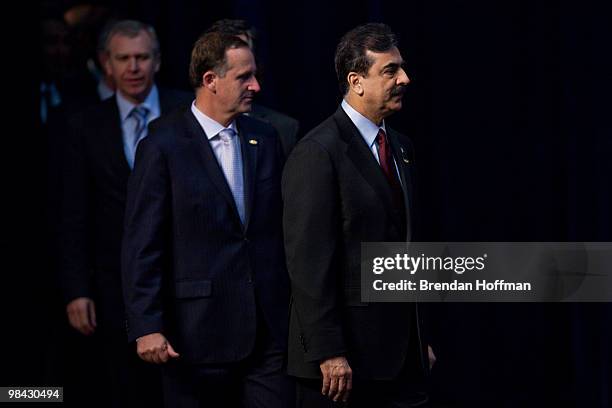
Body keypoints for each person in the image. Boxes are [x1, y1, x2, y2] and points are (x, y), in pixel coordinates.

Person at [121, 31, 292, 408]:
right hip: (195, 337)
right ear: (210, 80)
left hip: (267, 333)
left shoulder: (265, 138)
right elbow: (142, 244)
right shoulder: (162, 145)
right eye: (244, 77)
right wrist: (147, 326)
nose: (256, 85)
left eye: (255, 75)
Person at [282, 23, 434, 407]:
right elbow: (308, 264)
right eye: (390, 70)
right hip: (343, 369)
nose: (405, 78)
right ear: (357, 81)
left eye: (401, 67)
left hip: (402, 362)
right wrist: (328, 352)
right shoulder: (318, 151)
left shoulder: (401, 147)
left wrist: (419, 338)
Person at [60, 19, 192, 407]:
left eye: (142, 57)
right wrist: (76, 289)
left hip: (181, 276)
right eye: (124, 58)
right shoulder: (80, 124)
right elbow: (71, 213)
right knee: (119, 388)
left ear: (157, 61)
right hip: (109, 283)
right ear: (106, 63)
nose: (133, 67)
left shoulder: (186, 111)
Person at [206, 19, 300, 158]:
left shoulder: (282, 130)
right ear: (211, 78)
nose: (255, 86)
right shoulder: (175, 131)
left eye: (245, 52)